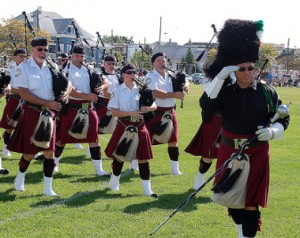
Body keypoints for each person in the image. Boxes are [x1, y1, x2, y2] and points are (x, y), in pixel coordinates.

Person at [200, 19, 290, 237]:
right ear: (234, 69)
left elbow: (283, 117)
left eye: (251, 67)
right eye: (242, 68)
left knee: (251, 201)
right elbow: (206, 104)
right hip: (229, 150)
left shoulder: (267, 92)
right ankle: (241, 231)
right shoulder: (224, 91)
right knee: (232, 198)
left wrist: (272, 132)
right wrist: (220, 76)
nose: (248, 72)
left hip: (257, 151)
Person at [7, 37, 72, 196]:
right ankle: (20, 178)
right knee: (29, 152)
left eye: (46, 49)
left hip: (49, 114)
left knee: (49, 151)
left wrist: (67, 94)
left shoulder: (52, 66)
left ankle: (47, 188)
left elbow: (68, 83)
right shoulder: (24, 68)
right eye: (40, 49)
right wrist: (47, 103)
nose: (43, 52)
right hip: (32, 111)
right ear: (32, 50)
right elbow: (23, 92)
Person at [54, 44, 110, 176]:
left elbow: (106, 80)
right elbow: (69, 88)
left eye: (81, 56)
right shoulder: (65, 69)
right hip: (71, 106)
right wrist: (86, 96)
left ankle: (99, 170)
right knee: (62, 137)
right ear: (71, 55)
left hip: (89, 107)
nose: (79, 58)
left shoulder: (89, 68)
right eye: (76, 56)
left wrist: (103, 87)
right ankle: (54, 164)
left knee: (94, 138)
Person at [105, 63, 158, 197]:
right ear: (123, 75)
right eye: (129, 72)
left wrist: (148, 108)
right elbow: (115, 113)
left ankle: (147, 190)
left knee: (143, 158)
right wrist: (131, 113)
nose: (132, 75)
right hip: (124, 126)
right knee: (119, 157)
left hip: (140, 127)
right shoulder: (117, 91)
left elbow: (154, 105)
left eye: (134, 72)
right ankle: (114, 183)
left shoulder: (142, 90)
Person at [143, 53, 189, 175]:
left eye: (163, 61)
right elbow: (155, 92)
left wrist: (185, 86)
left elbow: (185, 80)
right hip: (155, 112)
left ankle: (175, 170)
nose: (162, 63)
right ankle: (136, 164)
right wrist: (174, 95)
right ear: (153, 63)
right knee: (146, 140)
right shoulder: (150, 76)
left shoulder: (170, 74)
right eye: (158, 61)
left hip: (171, 111)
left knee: (173, 141)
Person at [0, 49, 27, 158]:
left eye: (25, 56)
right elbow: (7, 85)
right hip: (14, 99)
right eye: (21, 56)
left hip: (27, 100)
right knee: (10, 126)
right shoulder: (9, 69)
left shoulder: (28, 69)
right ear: (15, 57)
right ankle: (6, 148)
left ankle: (28, 151)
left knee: (26, 126)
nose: (23, 58)